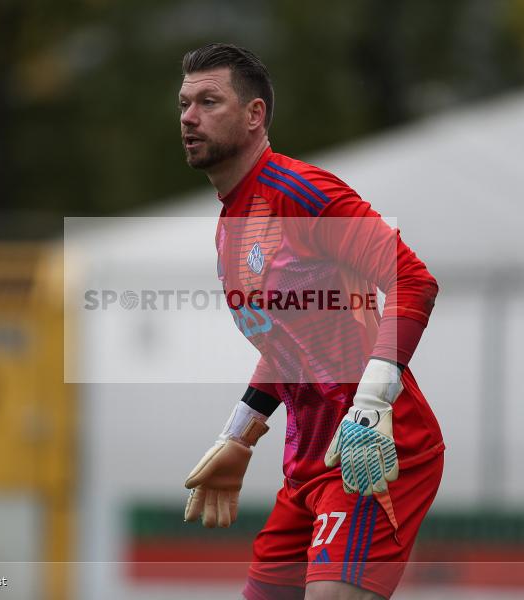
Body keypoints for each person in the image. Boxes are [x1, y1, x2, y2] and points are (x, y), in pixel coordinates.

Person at [179, 43, 444, 600]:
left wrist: (370, 404)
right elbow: (289, 345)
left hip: (373, 447)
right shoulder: (232, 225)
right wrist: (240, 435)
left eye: (208, 101)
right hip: (308, 467)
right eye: (184, 104)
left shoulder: (301, 194)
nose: (188, 117)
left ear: (255, 116)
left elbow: (413, 281)